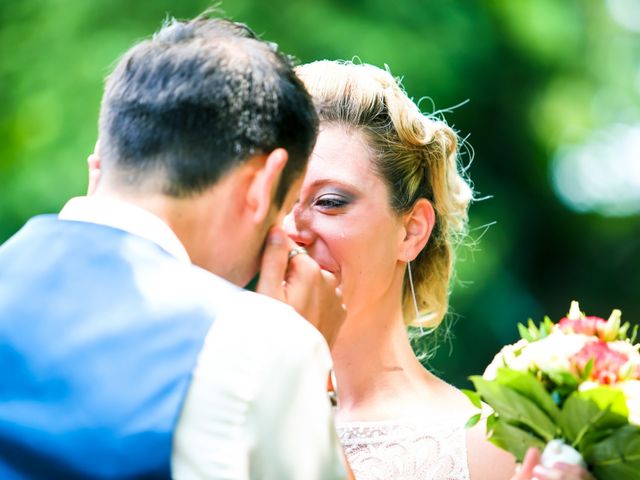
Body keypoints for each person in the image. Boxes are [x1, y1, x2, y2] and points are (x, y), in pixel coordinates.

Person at [0, 16, 350, 479]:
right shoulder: (261, 341)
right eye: (281, 213)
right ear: (262, 185)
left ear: (104, 157)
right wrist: (310, 368)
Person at [286, 60, 594, 480]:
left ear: (411, 231)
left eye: (330, 201)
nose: (293, 230)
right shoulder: (210, 420)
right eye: (276, 202)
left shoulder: (492, 447)